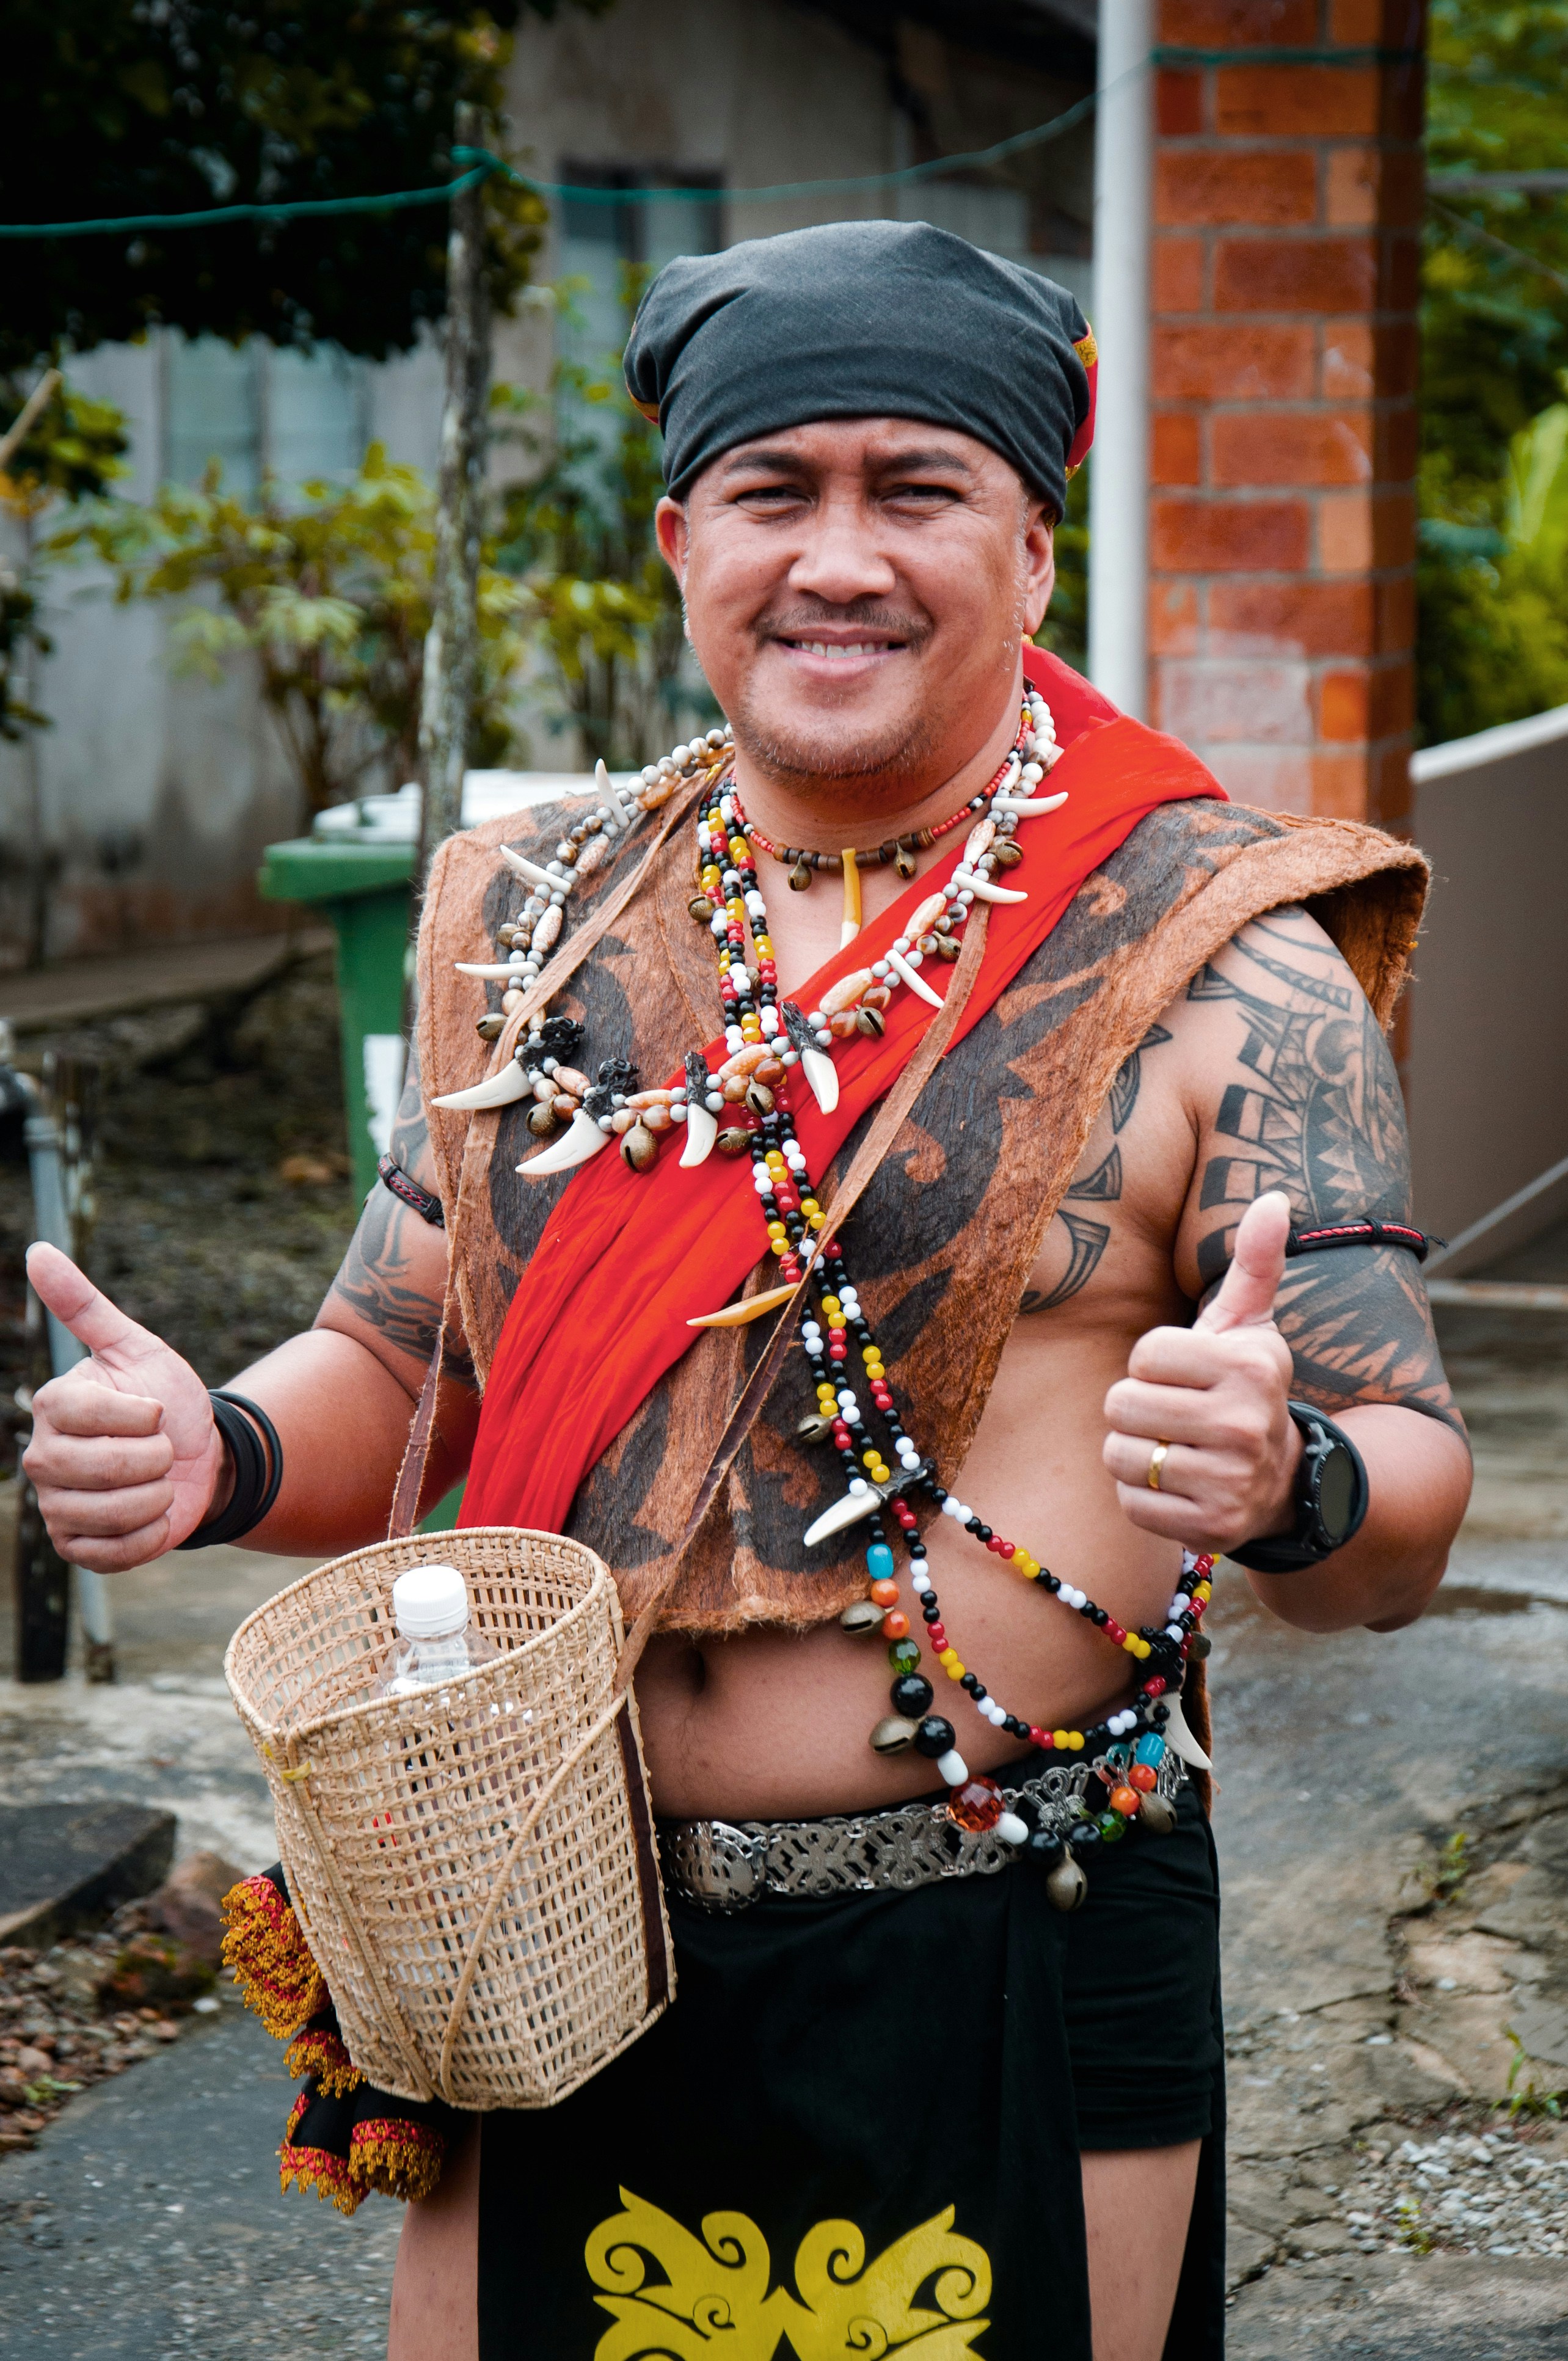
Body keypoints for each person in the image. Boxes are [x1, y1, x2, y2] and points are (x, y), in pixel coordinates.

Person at [23, 221, 1470, 2361]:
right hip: (541, 1931)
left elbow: (1405, 1514)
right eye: (780, 493)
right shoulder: (538, 922)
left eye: (919, 490)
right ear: (688, 536)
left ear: (1033, 552)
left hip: (1023, 1927)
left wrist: (1290, 1478)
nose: (842, 558)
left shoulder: (1215, 955)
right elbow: (398, 1365)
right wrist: (212, 1450)